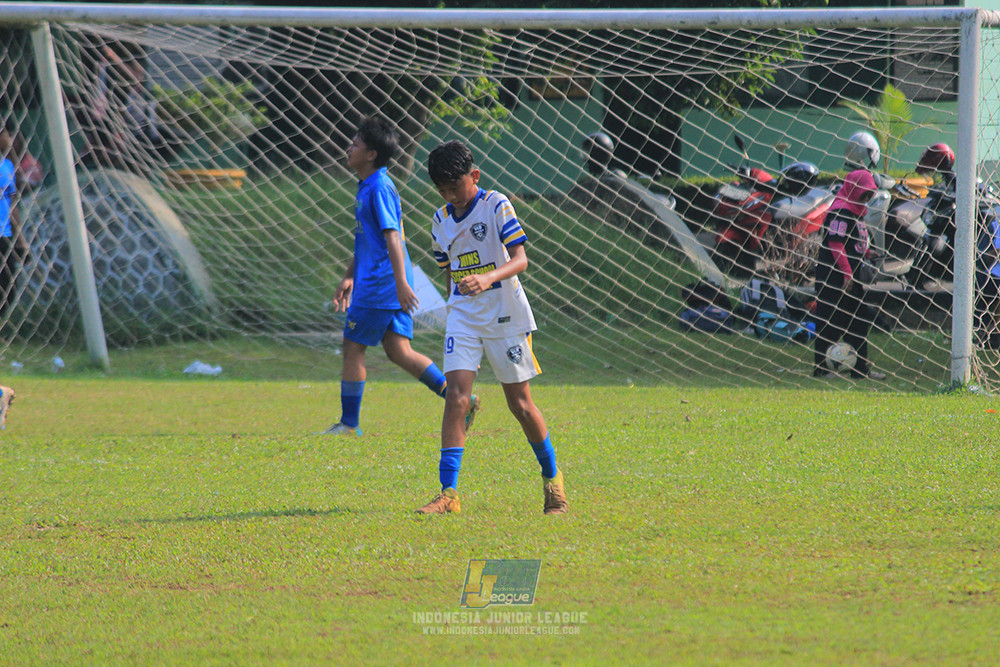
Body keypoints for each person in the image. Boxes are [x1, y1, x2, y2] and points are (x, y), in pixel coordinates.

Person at [415, 140, 568, 516]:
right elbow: (450, 271)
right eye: (443, 190)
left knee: (520, 404)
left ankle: (553, 481)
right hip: (465, 316)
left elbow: (520, 260)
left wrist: (487, 278)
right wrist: (455, 305)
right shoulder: (439, 220)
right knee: (456, 397)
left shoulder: (495, 204)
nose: (451, 195)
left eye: (456, 186)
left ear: (475, 176)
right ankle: (448, 493)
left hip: (504, 313)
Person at [321, 117, 479, 436]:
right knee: (399, 352)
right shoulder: (369, 185)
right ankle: (461, 398)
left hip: (381, 285)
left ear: (371, 154)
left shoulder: (379, 187)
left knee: (352, 347)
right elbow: (369, 239)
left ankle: (349, 424)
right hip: (382, 282)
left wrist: (402, 284)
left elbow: (394, 238)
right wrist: (349, 275)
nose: (348, 148)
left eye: (355, 145)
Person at [813, 169, 886, 380]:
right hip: (834, 279)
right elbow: (836, 244)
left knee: (858, 322)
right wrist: (846, 273)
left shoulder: (855, 211)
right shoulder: (841, 211)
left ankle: (860, 369)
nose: (867, 198)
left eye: (869, 194)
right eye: (864, 193)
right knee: (829, 322)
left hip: (850, 279)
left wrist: (865, 252)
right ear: (853, 189)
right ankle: (822, 369)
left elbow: (852, 242)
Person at [0, 123, 30, 317]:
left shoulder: (7, 166)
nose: (10, 140)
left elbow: (11, 206)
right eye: (6, 134)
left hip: (4, 235)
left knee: (8, 285)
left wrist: (20, 241)